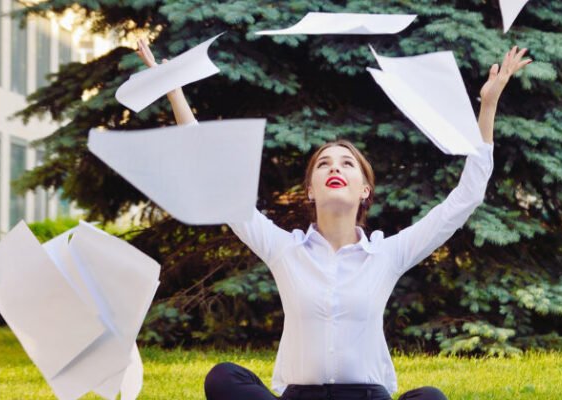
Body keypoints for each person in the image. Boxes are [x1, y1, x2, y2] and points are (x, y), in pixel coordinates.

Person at [136, 38, 531, 400]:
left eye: (347, 163)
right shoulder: (283, 250)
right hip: (299, 396)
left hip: (366, 397)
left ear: (364, 190)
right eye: (323, 164)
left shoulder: (388, 255)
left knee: (429, 398)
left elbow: (465, 198)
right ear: (310, 189)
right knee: (223, 377)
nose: (334, 167)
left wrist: (488, 105)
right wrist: (174, 89)